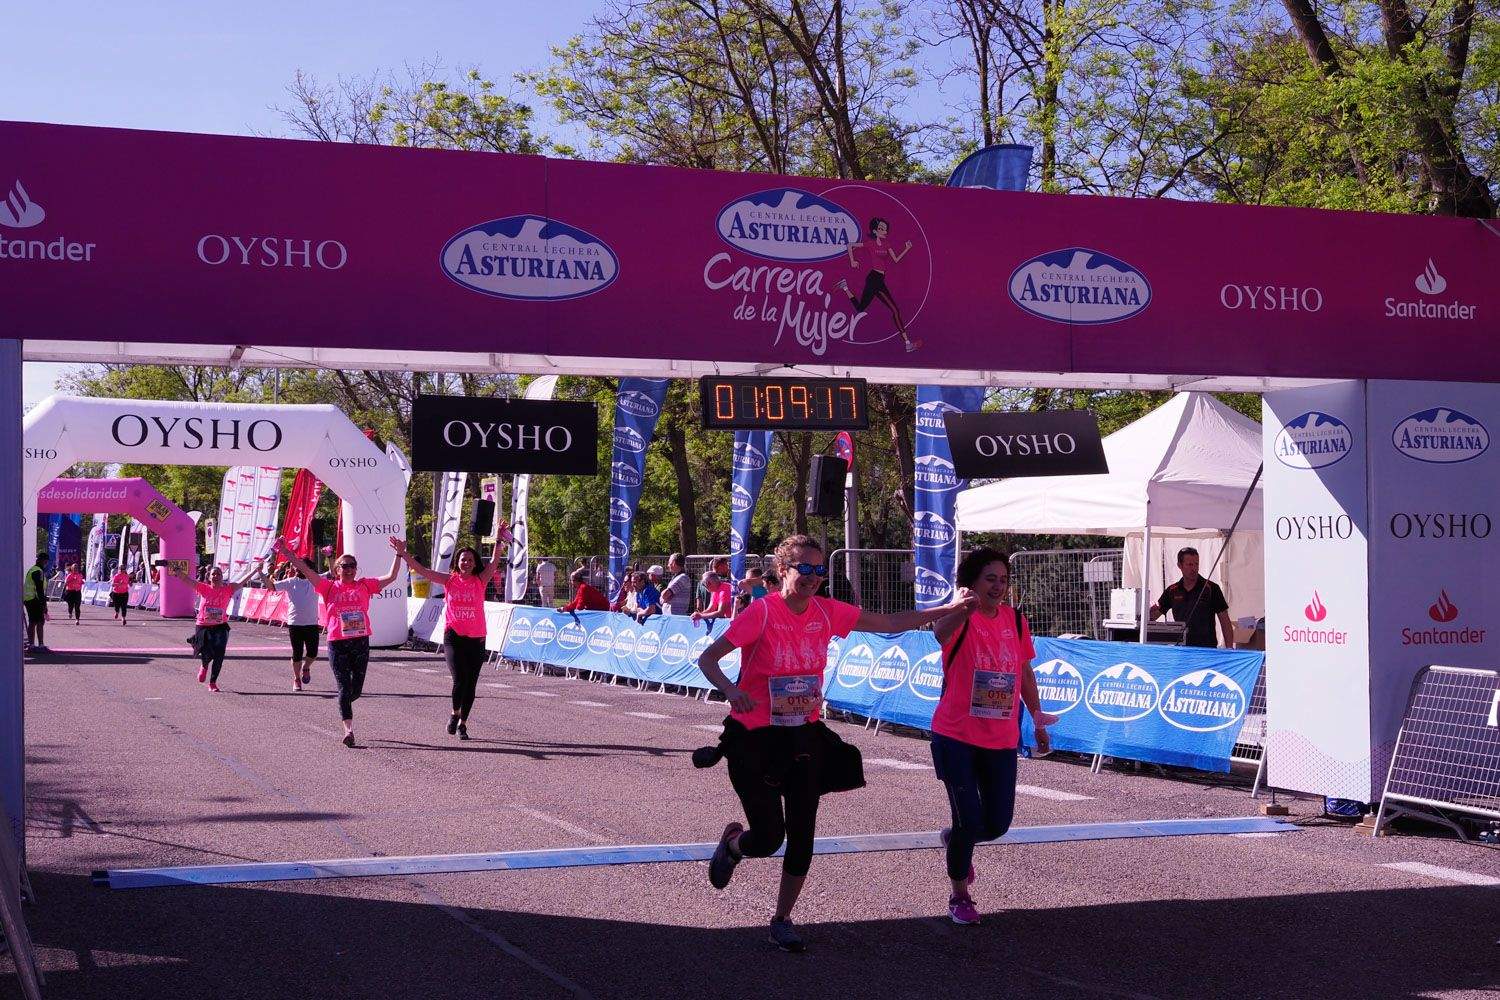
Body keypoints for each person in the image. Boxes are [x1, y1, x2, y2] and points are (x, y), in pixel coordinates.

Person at [695, 533, 976, 952]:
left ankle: (782, 918)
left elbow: (890, 623)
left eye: (819, 570)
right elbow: (708, 660)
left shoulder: (827, 612)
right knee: (769, 837)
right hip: (753, 738)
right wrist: (732, 692)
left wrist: (950, 609)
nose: (812, 577)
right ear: (782, 570)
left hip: (803, 736)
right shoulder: (762, 613)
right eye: (803, 569)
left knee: (803, 835)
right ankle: (735, 845)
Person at [927, 548, 1060, 925]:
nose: (999, 587)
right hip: (956, 735)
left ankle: (955, 840)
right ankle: (959, 894)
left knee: (997, 823)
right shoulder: (959, 614)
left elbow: (1024, 672)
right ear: (972, 582)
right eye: (990, 579)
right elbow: (939, 634)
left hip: (1001, 737)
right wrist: (960, 608)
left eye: (1003, 580)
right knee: (969, 818)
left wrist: (1036, 717)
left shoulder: (1016, 621)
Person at [274, 536, 403, 747]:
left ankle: (344, 703)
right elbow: (306, 570)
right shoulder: (328, 587)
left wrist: (399, 554)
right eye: (345, 566)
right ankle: (349, 730)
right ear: (337, 570)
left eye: (353, 566)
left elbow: (392, 576)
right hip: (337, 643)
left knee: (356, 690)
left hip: (360, 641)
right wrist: (287, 552)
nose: (350, 569)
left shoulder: (365, 585)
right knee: (344, 687)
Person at [395, 538, 503, 740]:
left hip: (477, 638)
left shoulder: (480, 580)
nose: (467, 563)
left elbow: (495, 561)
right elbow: (422, 570)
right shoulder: (449, 580)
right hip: (453, 637)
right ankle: (455, 713)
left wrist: (498, 540)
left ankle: (463, 724)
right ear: (457, 562)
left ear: (474, 563)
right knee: (459, 679)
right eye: (463, 559)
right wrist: (403, 553)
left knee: (471, 684)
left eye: (470, 560)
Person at [168, 561, 259, 692]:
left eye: (218, 574)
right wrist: (177, 571)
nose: (216, 576)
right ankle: (204, 665)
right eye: (213, 574)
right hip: (203, 625)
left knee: (219, 654)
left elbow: (243, 581)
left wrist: (255, 570)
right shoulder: (203, 588)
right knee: (207, 653)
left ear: (222, 576)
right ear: (209, 577)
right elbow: (187, 580)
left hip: (220, 625)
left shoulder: (229, 589)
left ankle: (213, 682)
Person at [836, 217, 920, 352]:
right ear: (875, 231)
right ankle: (907, 343)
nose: (884, 230)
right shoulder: (870, 243)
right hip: (874, 279)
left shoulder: (887, 244)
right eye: (881, 228)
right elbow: (850, 245)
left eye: (885, 228)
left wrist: (906, 248)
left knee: (860, 308)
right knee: (895, 310)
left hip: (879, 279)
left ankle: (845, 287)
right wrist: (852, 260)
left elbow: (896, 260)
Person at [1149, 547, 1232, 648]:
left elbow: (1225, 621)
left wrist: (1230, 649)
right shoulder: (1172, 590)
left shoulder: (1211, 588)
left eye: (1196, 564)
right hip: (1181, 649)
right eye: (1190, 564)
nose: (1194, 568)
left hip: (1207, 650)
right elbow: (1154, 615)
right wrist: (1146, 612)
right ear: (1180, 565)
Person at [265, 557, 322, 691]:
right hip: (295, 623)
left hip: (311, 623)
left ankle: (306, 667)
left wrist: (330, 557)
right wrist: (267, 574)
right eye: (294, 566)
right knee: (297, 653)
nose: (295, 568)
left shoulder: (315, 581)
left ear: (308, 568)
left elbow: (333, 573)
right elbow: (272, 587)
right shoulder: (291, 582)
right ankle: (297, 678)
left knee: (313, 653)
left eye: (298, 566)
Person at [22, 555, 48, 654]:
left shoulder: (33, 569)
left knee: (33, 621)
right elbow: (39, 589)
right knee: (40, 622)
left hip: (28, 599)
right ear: (43, 561)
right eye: (45, 561)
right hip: (34, 599)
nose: (46, 564)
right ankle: (40, 645)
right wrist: (44, 604)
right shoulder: (38, 571)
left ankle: (32, 645)